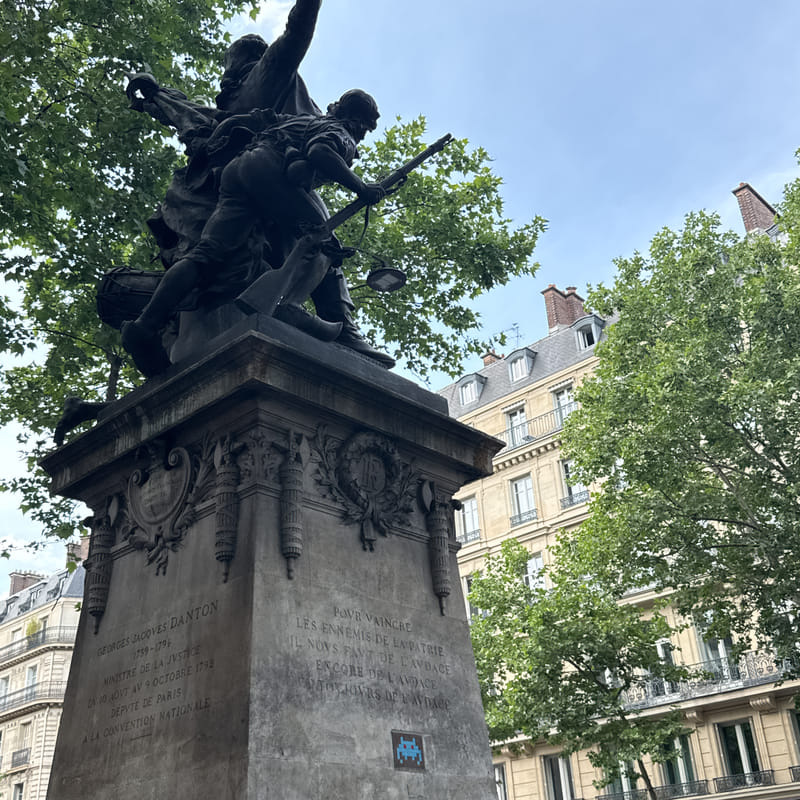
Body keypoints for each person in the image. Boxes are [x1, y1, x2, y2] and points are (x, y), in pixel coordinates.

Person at [121, 90, 386, 377]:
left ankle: (145, 325)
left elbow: (248, 121)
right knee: (325, 242)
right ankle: (291, 305)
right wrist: (362, 188)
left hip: (238, 169)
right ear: (357, 120)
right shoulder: (341, 132)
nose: (363, 134)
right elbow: (320, 152)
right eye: (366, 127)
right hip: (269, 170)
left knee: (207, 253)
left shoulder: (302, 120)